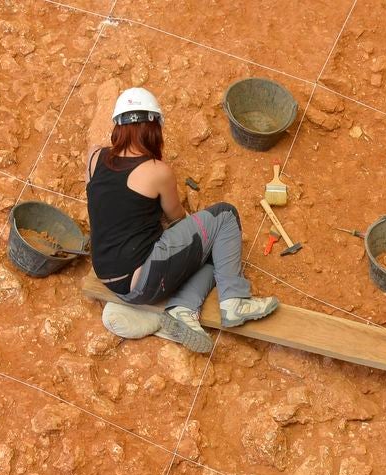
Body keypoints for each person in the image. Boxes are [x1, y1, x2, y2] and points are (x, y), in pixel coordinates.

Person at [86, 87, 278, 353]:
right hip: (141, 282)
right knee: (224, 215)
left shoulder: (94, 157)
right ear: (153, 129)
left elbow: (106, 205)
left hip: (106, 273)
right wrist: (199, 231)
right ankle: (235, 301)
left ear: (117, 126)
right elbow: (176, 216)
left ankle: (183, 309)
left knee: (215, 254)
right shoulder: (156, 171)